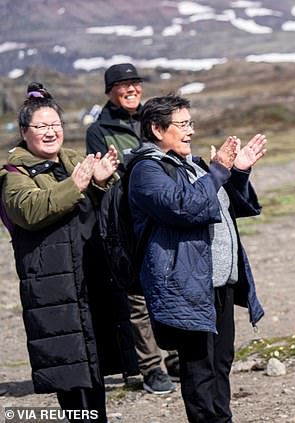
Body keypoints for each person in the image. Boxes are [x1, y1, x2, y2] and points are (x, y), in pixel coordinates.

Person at [1, 83, 137, 422]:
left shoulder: (75, 161)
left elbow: (106, 207)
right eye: (41, 127)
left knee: (95, 369)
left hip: (91, 280)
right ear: (24, 132)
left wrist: (104, 180)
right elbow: (31, 211)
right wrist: (75, 185)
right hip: (54, 289)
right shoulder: (14, 175)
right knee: (71, 373)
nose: (50, 133)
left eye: (55, 126)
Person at [127, 94, 266, 423]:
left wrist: (238, 171)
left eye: (191, 123)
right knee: (199, 369)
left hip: (218, 283)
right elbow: (184, 207)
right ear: (157, 129)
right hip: (186, 287)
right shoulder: (146, 170)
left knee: (221, 362)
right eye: (182, 124)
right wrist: (218, 170)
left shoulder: (194, 166)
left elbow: (232, 205)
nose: (190, 131)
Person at [86, 63, 178, 394]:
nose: (131, 89)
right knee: (137, 297)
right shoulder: (99, 130)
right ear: (110, 91)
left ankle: (176, 353)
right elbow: (101, 176)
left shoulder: (152, 119)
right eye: (123, 85)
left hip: (158, 215)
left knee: (166, 284)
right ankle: (151, 366)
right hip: (125, 223)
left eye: (135, 83)